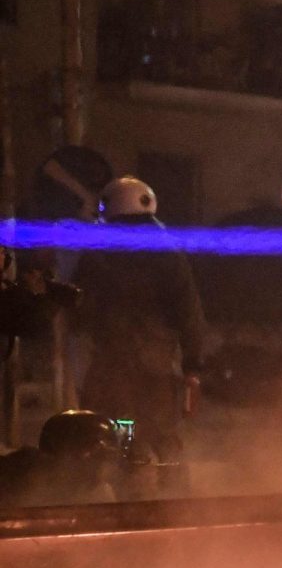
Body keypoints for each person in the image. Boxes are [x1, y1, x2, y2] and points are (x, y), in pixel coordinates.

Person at [71, 177, 206, 488]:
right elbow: (190, 314)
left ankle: (120, 499)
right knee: (164, 438)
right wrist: (193, 366)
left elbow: (79, 308)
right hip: (158, 368)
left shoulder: (97, 255)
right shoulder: (169, 254)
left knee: (112, 433)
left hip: (112, 367)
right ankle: (175, 506)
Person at [0, 410, 123, 507]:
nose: (106, 467)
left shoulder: (100, 491)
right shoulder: (22, 487)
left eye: (108, 457)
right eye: (99, 456)